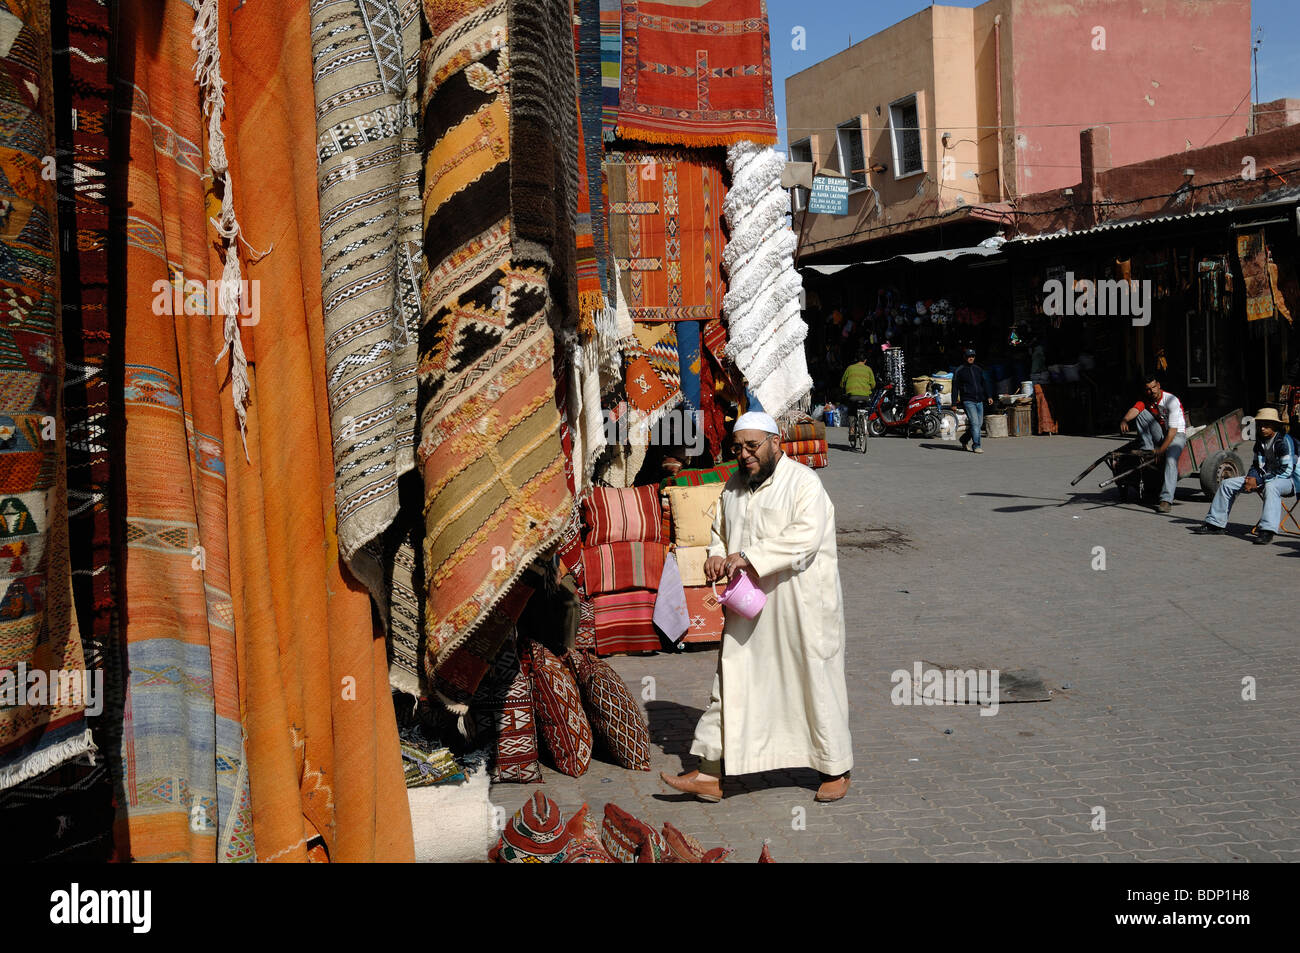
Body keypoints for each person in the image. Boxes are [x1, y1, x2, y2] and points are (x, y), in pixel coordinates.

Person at [659, 411, 853, 804]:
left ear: (775, 442)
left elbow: (805, 538)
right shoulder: (733, 486)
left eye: (752, 446)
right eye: (738, 448)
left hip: (800, 606)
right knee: (732, 680)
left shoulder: (804, 483)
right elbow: (719, 532)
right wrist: (717, 555)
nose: (744, 455)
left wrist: (747, 556)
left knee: (811, 681)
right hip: (749, 606)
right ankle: (710, 773)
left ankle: (835, 767)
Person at [1194, 408, 1298, 544]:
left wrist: (1259, 480)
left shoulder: (1284, 441)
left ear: (1275, 425)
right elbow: (1256, 465)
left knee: (1272, 487)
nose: (1262, 428)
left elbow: (1287, 470)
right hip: (1266, 478)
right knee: (1227, 484)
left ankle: (1267, 531)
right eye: (1260, 424)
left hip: (1291, 481)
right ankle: (1215, 524)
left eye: (1266, 424)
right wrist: (1251, 478)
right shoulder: (1260, 441)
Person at [1119, 374, 1186, 513]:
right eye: (1148, 389)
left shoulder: (1171, 400)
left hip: (1177, 434)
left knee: (1171, 460)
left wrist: (1161, 451)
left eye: (1154, 387)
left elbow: (1173, 432)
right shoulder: (1147, 399)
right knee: (1141, 413)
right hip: (1162, 432)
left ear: (1159, 385)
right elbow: (1135, 409)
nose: (1152, 391)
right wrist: (1125, 420)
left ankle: (1166, 500)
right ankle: (1147, 448)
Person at [954, 348, 992, 452]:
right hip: (968, 400)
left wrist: (989, 396)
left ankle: (964, 439)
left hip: (979, 400)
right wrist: (953, 403)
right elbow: (955, 387)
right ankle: (977, 446)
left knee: (979, 424)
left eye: (973, 356)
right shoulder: (959, 370)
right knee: (975, 423)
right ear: (964, 357)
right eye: (969, 356)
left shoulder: (978, 369)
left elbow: (984, 383)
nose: (971, 358)